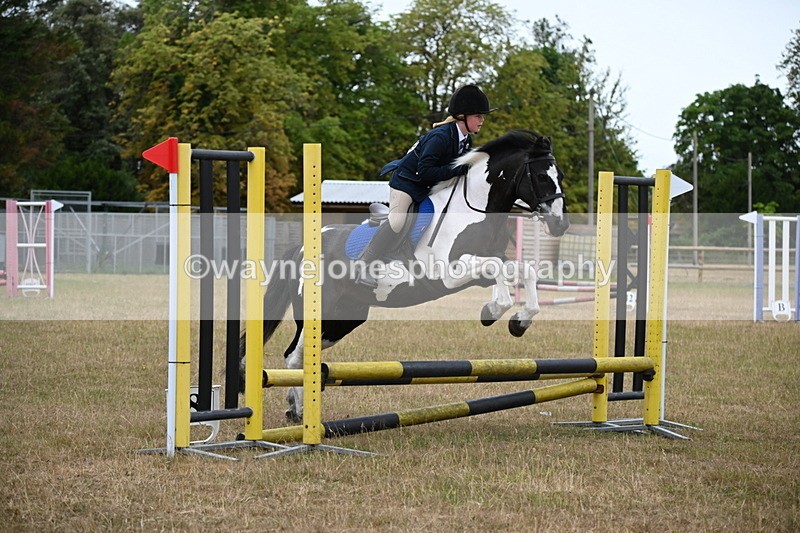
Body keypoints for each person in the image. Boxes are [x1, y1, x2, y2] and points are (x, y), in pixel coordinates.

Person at [356, 84, 496, 288]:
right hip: (406, 183)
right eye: (478, 115)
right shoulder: (440, 137)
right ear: (461, 116)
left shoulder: (465, 139)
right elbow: (426, 171)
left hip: (427, 186)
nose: (482, 119)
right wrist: (458, 170)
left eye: (482, 116)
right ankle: (364, 262)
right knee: (397, 222)